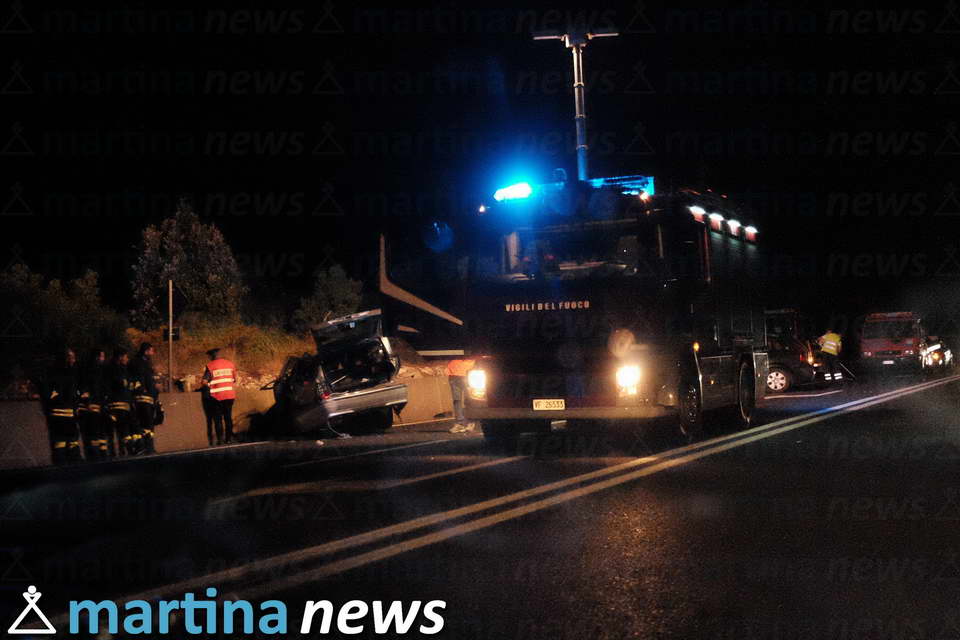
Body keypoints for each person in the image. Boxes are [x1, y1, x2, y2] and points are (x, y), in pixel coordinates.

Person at [41, 348, 81, 464]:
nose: (74, 360)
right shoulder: (59, 373)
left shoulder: (70, 373)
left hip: (66, 415)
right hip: (60, 415)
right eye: (71, 357)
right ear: (66, 359)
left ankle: (68, 467)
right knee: (64, 443)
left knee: (67, 443)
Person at [78, 349, 109, 459]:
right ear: (97, 357)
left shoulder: (99, 371)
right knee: (94, 434)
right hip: (92, 408)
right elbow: (89, 389)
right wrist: (90, 402)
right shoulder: (92, 371)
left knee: (99, 435)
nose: (103, 359)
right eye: (102, 357)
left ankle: (100, 456)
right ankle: (96, 457)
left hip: (98, 407)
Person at [202, 348, 237, 444]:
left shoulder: (210, 365)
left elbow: (204, 382)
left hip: (217, 396)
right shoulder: (230, 364)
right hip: (230, 395)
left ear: (212, 356)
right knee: (228, 417)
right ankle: (229, 439)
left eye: (209, 356)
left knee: (217, 419)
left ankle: (220, 440)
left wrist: (209, 385)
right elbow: (234, 379)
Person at [107, 349, 138, 455]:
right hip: (117, 406)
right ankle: (126, 451)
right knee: (122, 431)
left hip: (125, 405)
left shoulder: (124, 370)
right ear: (120, 357)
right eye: (126, 357)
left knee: (124, 431)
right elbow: (113, 387)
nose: (127, 359)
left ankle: (125, 452)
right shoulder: (112, 369)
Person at [131, 342, 159, 454]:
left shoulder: (145, 363)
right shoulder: (138, 363)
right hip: (142, 398)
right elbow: (141, 380)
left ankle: (146, 447)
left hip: (148, 398)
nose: (152, 353)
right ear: (146, 351)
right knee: (146, 424)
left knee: (147, 424)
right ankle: (146, 447)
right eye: (151, 351)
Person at [446, 357, 476, 433]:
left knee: (469, 399)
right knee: (457, 401)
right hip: (453, 374)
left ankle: (470, 422)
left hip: (467, 374)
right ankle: (460, 424)